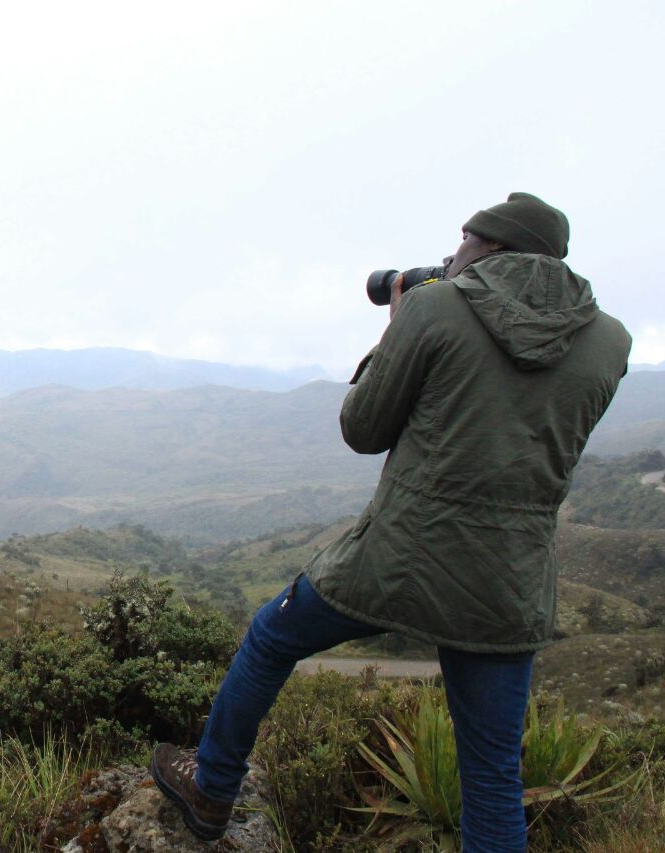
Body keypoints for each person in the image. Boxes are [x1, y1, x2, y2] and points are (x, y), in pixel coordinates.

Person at [150, 192, 632, 851]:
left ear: (490, 247)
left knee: (269, 638)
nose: (450, 253)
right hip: (507, 584)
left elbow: (363, 428)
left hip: (398, 560)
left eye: (461, 241)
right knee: (491, 774)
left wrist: (399, 322)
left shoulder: (435, 309)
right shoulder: (609, 341)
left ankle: (211, 787)